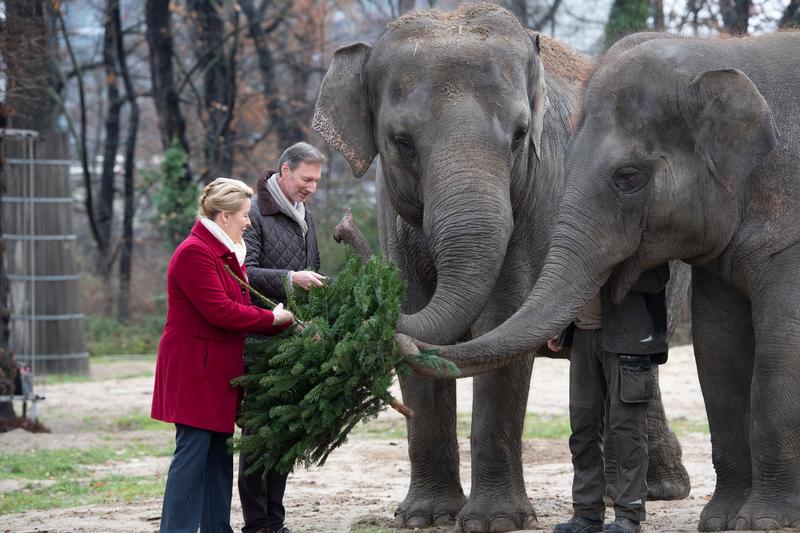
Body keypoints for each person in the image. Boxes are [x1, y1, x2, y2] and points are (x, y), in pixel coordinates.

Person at [152, 178, 295, 533]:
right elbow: (221, 311)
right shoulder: (194, 253)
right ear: (225, 215)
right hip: (194, 371)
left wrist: (278, 322)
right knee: (192, 457)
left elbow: (240, 305)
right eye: (245, 215)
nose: (249, 222)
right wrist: (271, 318)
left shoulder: (226, 252)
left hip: (216, 372)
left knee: (218, 457)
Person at [238, 142, 326, 533]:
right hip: (261, 340)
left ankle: (276, 521)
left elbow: (315, 270)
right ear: (284, 171)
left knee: (286, 431)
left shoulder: (305, 214)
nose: (312, 188)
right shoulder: (252, 214)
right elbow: (244, 273)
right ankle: (257, 525)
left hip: (295, 339)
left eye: (317, 181)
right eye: (306, 179)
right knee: (260, 434)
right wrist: (291, 280)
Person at [550, 265, 670, 533]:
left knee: (627, 429)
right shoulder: (582, 232)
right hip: (583, 336)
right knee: (582, 429)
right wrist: (561, 323)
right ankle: (586, 514)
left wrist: (612, 261)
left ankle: (629, 514)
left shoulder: (641, 236)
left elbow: (657, 278)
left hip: (628, 339)